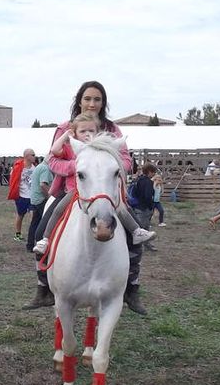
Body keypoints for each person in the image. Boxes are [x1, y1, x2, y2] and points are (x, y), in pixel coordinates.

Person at [24, 80, 154, 313]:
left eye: (97, 99)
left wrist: (105, 165)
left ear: (103, 103)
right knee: (42, 230)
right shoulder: (65, 128)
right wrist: (78, 166)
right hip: (70, 189)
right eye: (87, 99)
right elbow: (52, 159)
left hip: (105, 191)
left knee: (134, 235)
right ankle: (43, 287)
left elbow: (126, 160)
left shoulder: (112, 129)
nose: (92, 103)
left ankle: (131, 289)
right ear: (79, 101)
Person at [7, 148, 37, 242]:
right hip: (21, 196)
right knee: (21, 215)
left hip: (32, 196)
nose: (34, 157)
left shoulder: (34, 168)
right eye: (33, 155)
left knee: (34, 215)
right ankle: (18, 233)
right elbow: (13, 179)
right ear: (27, 156)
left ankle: (33, 235)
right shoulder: (18, 166)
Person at [26, 157, 53, 252]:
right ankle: (41, 244)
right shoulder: (45, 169)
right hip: (41, 199)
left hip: (35, 199)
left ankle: (29, 245)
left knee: (34, 223)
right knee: (45, 223)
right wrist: (49, 197)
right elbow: (43, 185)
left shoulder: (39, 167)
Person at [131, 164, 157, 251]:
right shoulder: (148, 182)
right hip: (145, 208)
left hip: (137, 206)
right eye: (153, 172)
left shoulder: (138, 180)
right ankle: (141, 246)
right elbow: (148, 196)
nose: (154, 174)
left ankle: (145, 245)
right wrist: (151, 207)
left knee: (141, 227)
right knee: (143, 228)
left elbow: (135, 193)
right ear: (149, 171)